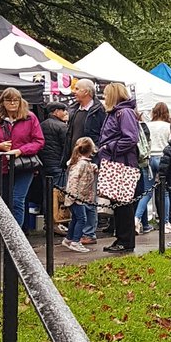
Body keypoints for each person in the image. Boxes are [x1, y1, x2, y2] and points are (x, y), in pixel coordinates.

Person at [0, 88, 45, 226]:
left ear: (20, 101)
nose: (12, 103)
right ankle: (6, 232)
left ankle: (16, 234)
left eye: (15, 100)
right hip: (2, 166)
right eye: (8, 100)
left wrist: (20, 150)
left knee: (17, 200)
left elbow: (39, 141)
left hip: (24, 165)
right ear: (3, 102)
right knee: (5, 201)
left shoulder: (30, 117)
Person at [97, 82, 141, 253]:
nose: (104, 97)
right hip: (116, 161)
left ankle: (125, 240)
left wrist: (109, 148)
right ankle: (122, 239)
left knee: (123, 204)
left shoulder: (123, 113)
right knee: (118, 203)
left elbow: (131, 138)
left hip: (122, 163)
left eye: (106, 94)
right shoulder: (117, 113)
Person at [65, 78, 104, 246]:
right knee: (75, 197)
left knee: (88, 197)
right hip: (75, 159)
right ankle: (76, 233)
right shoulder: (74, 110)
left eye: (77, 89)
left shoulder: (98, 110)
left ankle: (89, 233)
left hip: (90, 161)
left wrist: (95, 156)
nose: (74, 91)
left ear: (87, 91)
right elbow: (69, 134)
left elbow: (102, 135)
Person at [135, 103, 171, 234]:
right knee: (165, 192)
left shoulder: (147, 125)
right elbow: (170, 143)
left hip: (149, 159)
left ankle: (136, 219)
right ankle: (165, 222)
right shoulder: (168, 126)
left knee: (147, 192)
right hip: (163, 158)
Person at [61, 138, 96, 253]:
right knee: (82, 219)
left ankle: (69, 239)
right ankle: (76, 241)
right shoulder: (81, 164)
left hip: (77, 196)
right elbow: (74, 179)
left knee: (76, 218)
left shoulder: (81, 162)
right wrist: (74, 195)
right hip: (77, 197)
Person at [38, 102, 68, 190]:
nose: (65, 113)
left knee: (46, 189)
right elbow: (66, 146)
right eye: (63, 110)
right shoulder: (62, 126)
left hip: (44, 163)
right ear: (56, 111)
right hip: (58, 163)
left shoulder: (41, 125)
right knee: (59, 191)